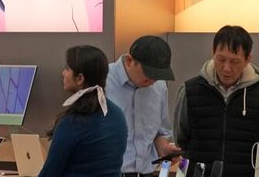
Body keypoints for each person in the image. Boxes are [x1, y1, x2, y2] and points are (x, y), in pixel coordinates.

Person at [174, 25, 259, 177]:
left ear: (248, 59)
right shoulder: (190, 90)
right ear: (212, 53)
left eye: (235, 62)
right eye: (220, 59)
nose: (226, 68)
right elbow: (180, 138)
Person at [38, 45, 126, 177]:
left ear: (80, 78)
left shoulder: (72, 123)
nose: (63, 73)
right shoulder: (117, 114)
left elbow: (50, 173)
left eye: (67, 69)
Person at [106, 35, 182, 177]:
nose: (152, 80)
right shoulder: (103, 80)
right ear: (129, 61)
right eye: (148, 74)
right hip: (111, 172)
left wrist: (164, 148)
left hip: (147, 172)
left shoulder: (159, 86)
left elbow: (160, 131)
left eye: (158, 75)